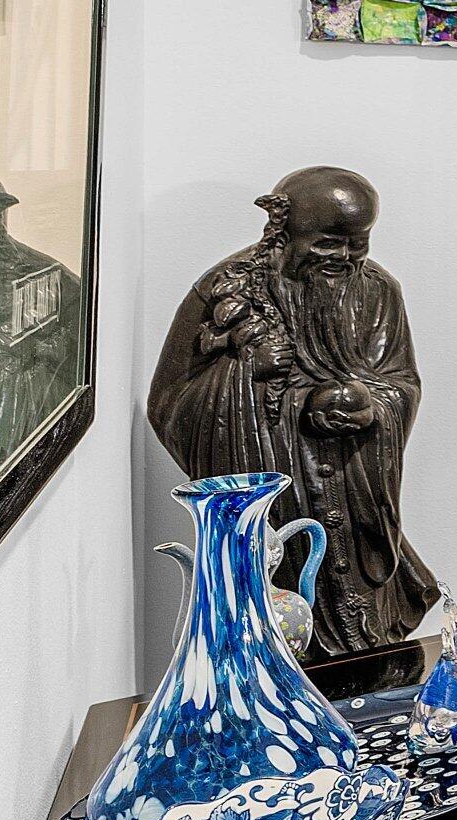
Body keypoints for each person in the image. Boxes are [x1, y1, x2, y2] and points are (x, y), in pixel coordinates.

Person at [148, 166, 438, 655]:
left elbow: (402, 382)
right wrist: (251, 378)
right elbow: (171, 403)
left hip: (353, 494)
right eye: (329, 241)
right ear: (283, 229)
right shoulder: (227, 291)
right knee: (275, 641)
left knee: (367, 645)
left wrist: (372, 406)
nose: (344, 256)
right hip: (278, 497)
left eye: (358, 242)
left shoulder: (378, 291)